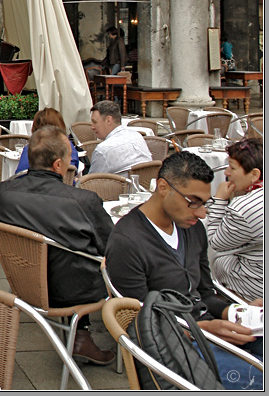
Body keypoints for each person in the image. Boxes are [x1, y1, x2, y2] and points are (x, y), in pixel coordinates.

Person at [105, 151, 263, 390]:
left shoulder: (192, 228)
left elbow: (205, 293)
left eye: (204, 203)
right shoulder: (127, 241)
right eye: (193, 201)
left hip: (207, 330)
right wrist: (202, 329)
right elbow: (140, 325)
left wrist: (237, 311)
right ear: (163, 187)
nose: (202, 213)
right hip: (176, 348)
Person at [0, 126, 115, 364]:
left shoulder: (4, 193)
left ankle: (80, 335)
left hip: (24, 282)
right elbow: (110, 247)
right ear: (58, 165)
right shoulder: (84, 201)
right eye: (69, 157)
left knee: (71, 254)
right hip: (72, 292)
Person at [206, 139, 263, 303]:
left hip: (255, 287)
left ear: (254, 174)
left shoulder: (244, 208)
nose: (226, 172)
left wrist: (220, 200)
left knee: (217, 258)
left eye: (232, 167)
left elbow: (214, 241)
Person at [88, 99, 151, 175]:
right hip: (145, 185)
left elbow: (91, 182)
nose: (92, 127)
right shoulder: (138, 136)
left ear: (109, 120)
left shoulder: (102, 150)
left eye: (95, 122)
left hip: (119, 186)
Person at [15, 107, 80, 176]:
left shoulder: (30, 148)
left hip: (30, 185)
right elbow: (71, 173)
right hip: (63, 185)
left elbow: (19, 174)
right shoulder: (69, 147)